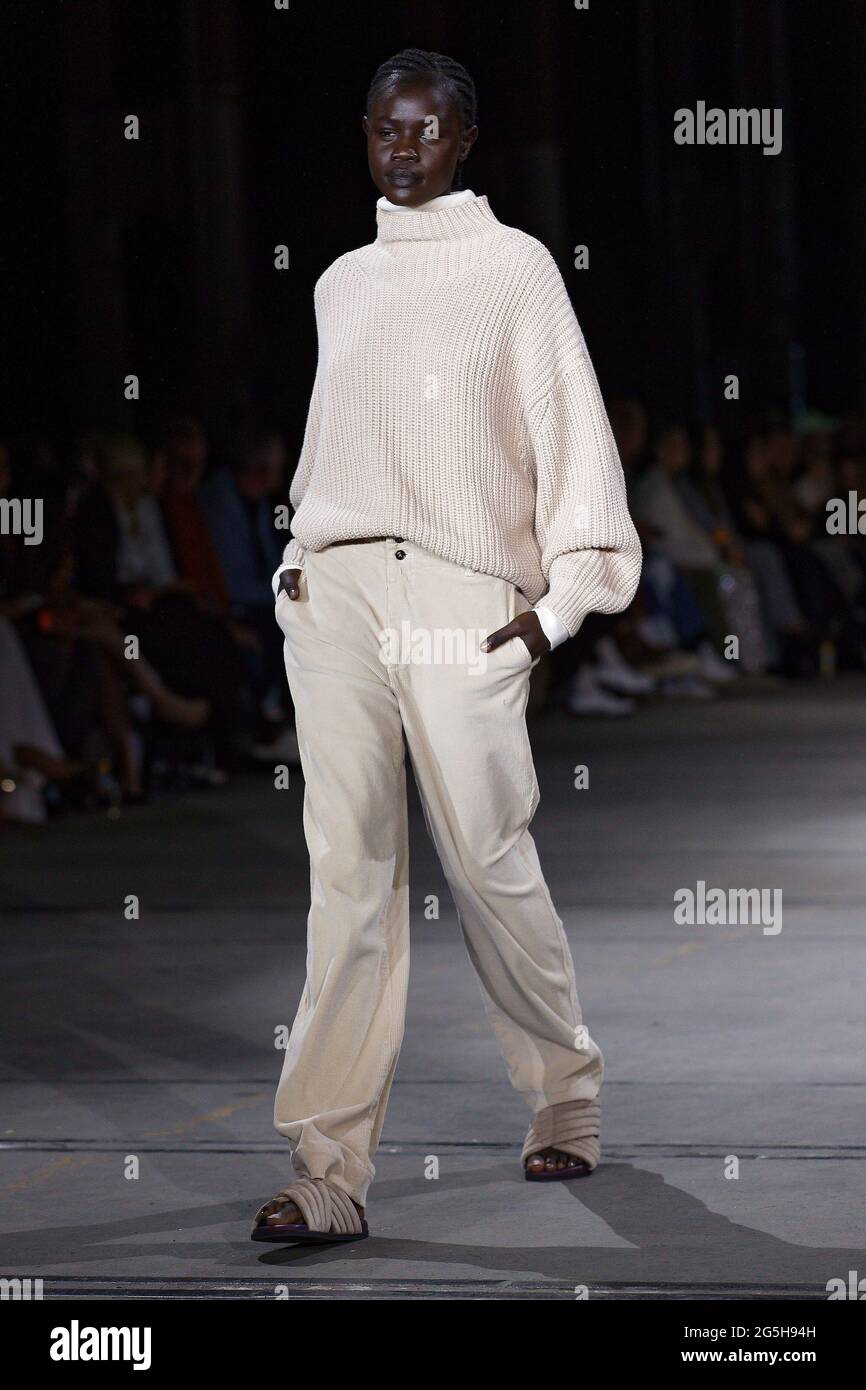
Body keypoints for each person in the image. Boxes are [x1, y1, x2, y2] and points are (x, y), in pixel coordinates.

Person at [251, 48, 642, 1246]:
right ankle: (327, 1168)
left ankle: (562, 1088)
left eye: (424, 128)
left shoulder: (514, 269)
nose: (401, 146)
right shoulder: (339, 283)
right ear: (364, 137)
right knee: (348, 880)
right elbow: (334, 445)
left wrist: (559, 600)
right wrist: (296, 571)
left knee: (484, 856)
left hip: (464, 596)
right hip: (339, 593)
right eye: (383, 127)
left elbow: (568, 432)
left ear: (464, 140)